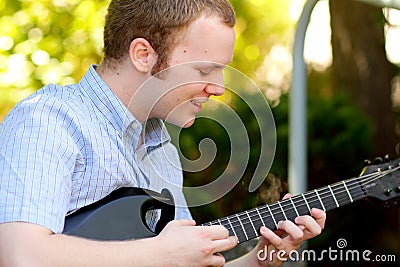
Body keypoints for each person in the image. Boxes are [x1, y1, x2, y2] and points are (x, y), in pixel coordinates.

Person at [0, 0, 326, 266]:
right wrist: (162, 253)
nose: (219, 88)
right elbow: (19, 255)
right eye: (205, 69)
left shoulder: (163, 150)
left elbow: (184, 261)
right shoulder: (48, 122)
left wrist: (261, 259)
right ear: (144, 55)